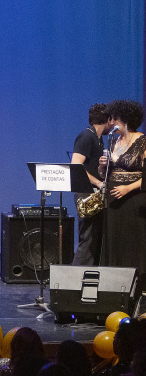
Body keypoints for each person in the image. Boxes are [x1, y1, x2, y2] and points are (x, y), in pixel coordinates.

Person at [98, 99, 146, 274]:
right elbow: (104, 174)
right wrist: (102, 166)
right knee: (115, 240)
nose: (111, 123)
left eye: (114, 119)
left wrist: (128, 188)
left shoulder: (141, 141)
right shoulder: (113, 141)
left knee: (132, 241)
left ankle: (137, 283)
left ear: (126, 120)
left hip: (133, 198)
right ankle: (114, 282)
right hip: (113, 198)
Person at [70, 103, 109, 266]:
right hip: (87, 194)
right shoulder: (87, 136)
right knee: (88, 238)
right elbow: (76, 165)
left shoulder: (98, 139)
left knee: (93, 238)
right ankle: (75, 279)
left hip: (93, 192)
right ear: (107, 120)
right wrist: (99, 183)